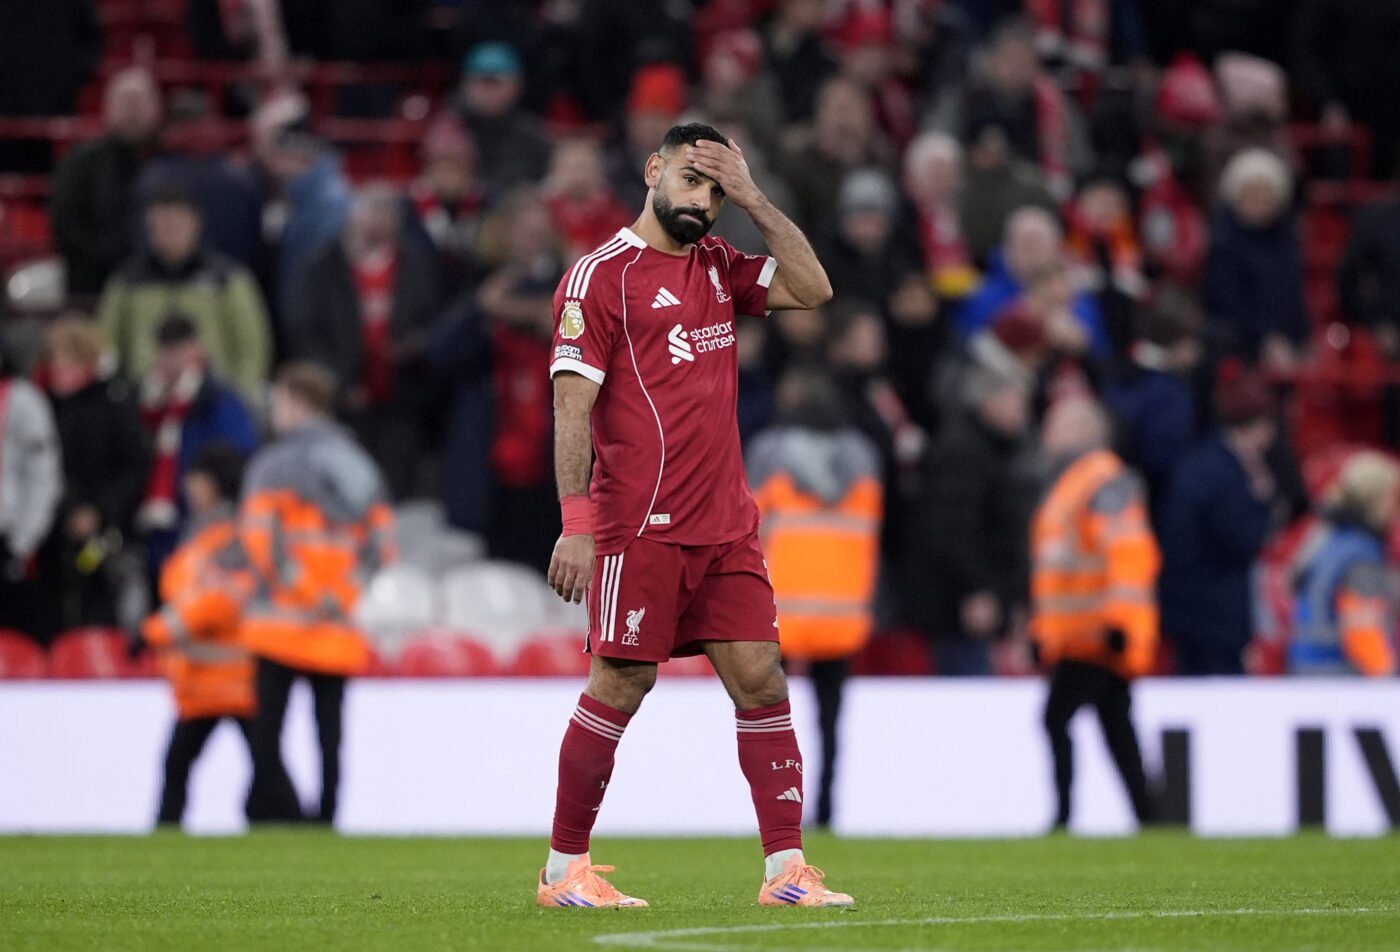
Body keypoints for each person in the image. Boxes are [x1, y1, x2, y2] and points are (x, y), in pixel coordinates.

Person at [540, 122, 852, 908]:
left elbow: (814, 288)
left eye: (716, 190)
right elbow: (571, 410)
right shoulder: (598, 279)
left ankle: (786, 873)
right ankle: (563, 871)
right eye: (691, 179)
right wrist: (576, 523)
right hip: (640, 523)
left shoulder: (719, 265)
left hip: (727, 525)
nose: (703, 202)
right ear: (654, 169)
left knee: (762, 679)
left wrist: (754, 197)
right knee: (622, 682)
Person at [240, 363, 397, 824]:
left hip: (280, 623)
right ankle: (326, 820)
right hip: (336, 623)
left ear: (295, 401)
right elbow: (383, 545)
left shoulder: (274, 465)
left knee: (266, 733)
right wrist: (342, 595)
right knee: (329, 736)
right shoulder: (360, 465)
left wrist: (305, 591)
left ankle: (274, 815)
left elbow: (259, 540)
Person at [747, 366, 883, 828]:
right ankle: (825, 809)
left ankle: (776, 812)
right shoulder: (863, 456)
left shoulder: (769, 453)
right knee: (830, 722)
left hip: (778, 613)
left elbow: (747, 527)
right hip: (843, 614)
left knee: (769, 721)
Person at [1031, 396, 1158, 829]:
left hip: (1097, 634)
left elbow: (1129, 553)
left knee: (1056, 718)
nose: (1048, 434)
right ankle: (1150, 818)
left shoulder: (1100, 482)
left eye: (1058, 425)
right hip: (1081, 633)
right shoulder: (1075, 481)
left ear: (1086, 431)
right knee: (1116, 726)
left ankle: (1064, 817)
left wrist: (1120, 622)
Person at [283, 185, 441, 500]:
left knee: (397, 493)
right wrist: (340, 382)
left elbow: (436, 319)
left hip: (402, 400)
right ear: (352, 213)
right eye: (372, 208)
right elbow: (304, 332)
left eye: (387, 209)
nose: (379, 218)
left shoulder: (418, 264)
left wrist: (416, 346)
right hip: (343, 404)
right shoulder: (321, 266)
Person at [143, 443, 257, 825]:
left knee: (180, 766)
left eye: (198, 480)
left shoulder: (232, 536)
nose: (189, 487)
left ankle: (290, 826)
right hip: (205, 679)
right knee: (181, 766)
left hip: (233, 677)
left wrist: (160, 629)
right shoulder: (204, 531)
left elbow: (223, 597)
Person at [97, 184, 273, 406]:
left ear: (196, 223)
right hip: (144, 402)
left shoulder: (227, 279)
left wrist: (237, 402)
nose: (169, 232)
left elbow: (253, 348)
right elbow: (105, 344)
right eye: (161, 225)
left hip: (212, 401)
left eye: (177, 224)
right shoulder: (127, 282)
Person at [911, 366, 1036, 675]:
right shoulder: (964, 451)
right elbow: (951, 528)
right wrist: (975, 588)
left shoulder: (990, 448)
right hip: (961, 604)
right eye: (1017, 400)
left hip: (977, 597)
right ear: (989, 401)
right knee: (967, 684)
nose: (1024, 410)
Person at [1158, 367, 1279, 675]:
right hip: (1216, 613)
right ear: (1259, 427)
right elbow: (1244, 538)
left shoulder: (1198, 460)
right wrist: (1263, 500)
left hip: (1184, 607)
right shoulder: (1228, 475)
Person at [37, 318, 152, 642]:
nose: (60, 366)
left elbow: (134, 467)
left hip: (106, 534)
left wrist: (99, 512)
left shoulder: (114, 402)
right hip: (53, 533)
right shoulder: (45, 405)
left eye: (69, 356)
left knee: (100, 610)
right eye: (55, 357)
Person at [135, 314, 260, 576]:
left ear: (195, 350)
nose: (172, 361)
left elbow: (238, 455)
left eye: (179, 351)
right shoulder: (146, 403)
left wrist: (205, 485)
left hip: (203, 521)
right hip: (155, 525)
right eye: (167, 352)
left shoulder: (218, 399)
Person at [50, 67, 163, 298]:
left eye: (138, 103)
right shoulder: (82, 161)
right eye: (124, 103)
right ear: (107, 109)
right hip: (94, 287)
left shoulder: (171, 161)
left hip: (162, 285)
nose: (132, 112)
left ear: (156, 109)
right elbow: (65, 225)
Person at [1290, 452, 1400, 678]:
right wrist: (1389, 679)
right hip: (1343, 679)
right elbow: (1364, 634)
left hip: (1308, 671)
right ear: (1378, 501)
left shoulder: (1327, 539)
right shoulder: (1361, 557)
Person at [1201, 148, 1308, 372]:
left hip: (1286, 344)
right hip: (1238, 347)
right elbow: (1228, 302)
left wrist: (1299, 338)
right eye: (1252, 193)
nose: (1259, 201)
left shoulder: (1286, 239)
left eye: (1266, 193)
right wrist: (1267, 338)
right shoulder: (1223, 243)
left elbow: (1293, 296)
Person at [958, 206, 1110, 356]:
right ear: (1008, 249)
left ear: (1055, 247)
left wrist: (1078, 342)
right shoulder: (983, 297)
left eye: (1037, 243)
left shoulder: (1078, 300)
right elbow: (966, 348)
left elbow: (1101, 354)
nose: (1031, 252)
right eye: (1024, 244)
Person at [0, 352, 64, 640]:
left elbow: (42, 477)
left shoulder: (21, 400)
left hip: (9, 539)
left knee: (14, 638)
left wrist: (23, 540)